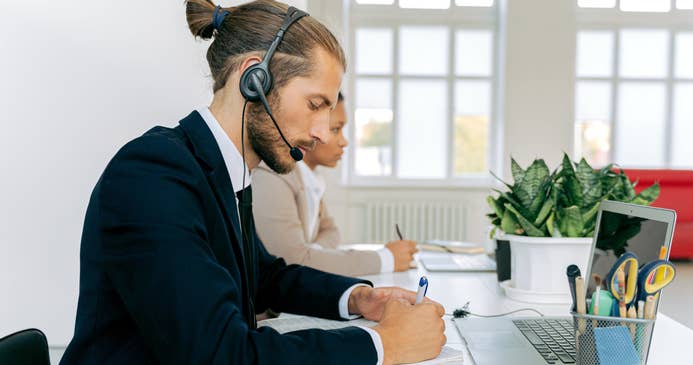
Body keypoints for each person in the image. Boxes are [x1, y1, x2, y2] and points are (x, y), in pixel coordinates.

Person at [60, 1, 445, 364]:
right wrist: (384, 343)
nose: (324, 133)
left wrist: (359, 299)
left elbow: (266, 277)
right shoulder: (152, 174)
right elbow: (221, 354)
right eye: (315, 105)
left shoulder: (224, 170)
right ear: (253, 78)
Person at [252, 93, 417, 276]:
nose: (344, 142)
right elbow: (294, 262)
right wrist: (386, 259)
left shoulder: (309, 177)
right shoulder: (272, 175)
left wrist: (311, 252)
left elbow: (331, 231)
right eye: (336, 129)